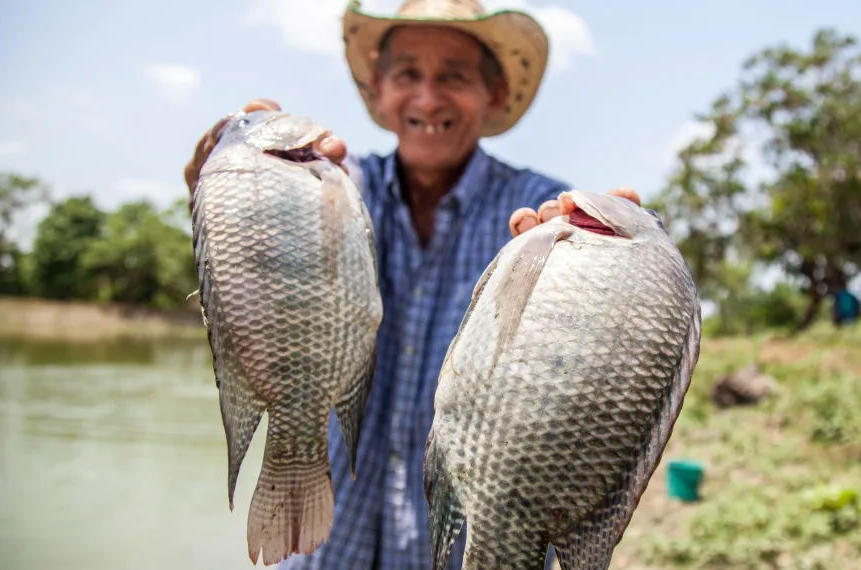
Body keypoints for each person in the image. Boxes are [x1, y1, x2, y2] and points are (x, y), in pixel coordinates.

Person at [182, 1, 642, 568]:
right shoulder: (333, 188)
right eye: (407, 75)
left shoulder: (545, 219)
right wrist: (231, 199)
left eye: (454, 76)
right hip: (330, 546)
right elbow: (255, 291)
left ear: (494, 95)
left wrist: (602, 287)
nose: (427, 99)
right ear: (378, 91)